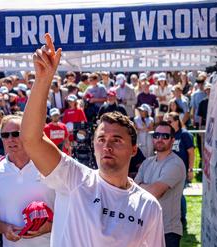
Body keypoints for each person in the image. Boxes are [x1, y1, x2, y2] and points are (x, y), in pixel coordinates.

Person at [20, 34, 164, 246]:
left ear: (134, 149)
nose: (107, 145)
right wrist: (43, 80)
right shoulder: (74, 178)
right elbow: (31, 139)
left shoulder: (148, 206)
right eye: (101, 139)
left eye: (117, 140)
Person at [0, 114, 55, 247]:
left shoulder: (49, 167)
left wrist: (49, 227)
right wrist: (3, 228)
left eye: (16, 134)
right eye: (5, 135)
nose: (10, 139)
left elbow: (69, 208)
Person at [135, 122, 186, 247]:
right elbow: (131, 190)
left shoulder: (175, 164)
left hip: (167, 231)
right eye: (157, 135)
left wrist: (140, 186)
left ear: (172, 140)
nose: (160, 139)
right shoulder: (147, 162)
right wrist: (144, 187)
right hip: (145, 229)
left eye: (165, 136)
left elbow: (154, 193)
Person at [164, 112, 194, 228]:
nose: (167, 123)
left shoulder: (184, 134)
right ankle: (173, 217)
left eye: (169, 121)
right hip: (168, 169)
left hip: (181, 170)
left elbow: (191, 153)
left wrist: (190, 170)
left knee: (179, 194)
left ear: (177, 121)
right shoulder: (169, 134)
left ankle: (182, 218)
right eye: (166, 121)